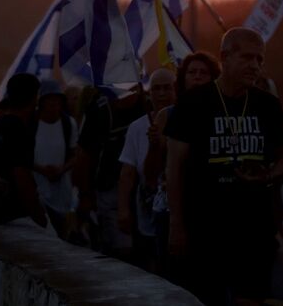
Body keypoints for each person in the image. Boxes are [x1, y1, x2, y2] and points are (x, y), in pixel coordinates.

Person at [165, 28, 283, 305]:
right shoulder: (193, 103)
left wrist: (269, 174)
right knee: (207, 298)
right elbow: (174, 168)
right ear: (224, 57)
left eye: (259, 59)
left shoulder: (267, 105)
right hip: (206, 227)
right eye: (247, 57)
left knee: (252, 298)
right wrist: (177, 224)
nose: (255, 65)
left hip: (254, 227)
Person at [144, 52, 220, 277]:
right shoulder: (167, 116)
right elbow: (151, 175)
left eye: (203, 73)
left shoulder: (220, 113)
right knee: (174, 281)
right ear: (183, 79)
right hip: (171, 211)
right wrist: (155, 146)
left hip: (211, 209)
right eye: (192, 72)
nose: (197, 77)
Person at [74, 83, 148, 258]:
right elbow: (84, 156)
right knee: (121, 250)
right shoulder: (99, 110)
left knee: (144, 249)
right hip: (109, 189)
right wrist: (85, 195)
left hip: (143, 188)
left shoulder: (147, 105)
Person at [118, 67, 176, 271]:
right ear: (149, 94)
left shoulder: (187, 121)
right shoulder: (136, 128)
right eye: (156, 89)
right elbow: (128, 172)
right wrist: (123, 209)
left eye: (167, 88)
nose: (161, 94)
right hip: (147, 211)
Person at [0, 73, 49, 230]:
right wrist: (39, 218)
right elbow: (22, 179)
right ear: (34, 98)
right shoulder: (19, 131)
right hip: (8, 217)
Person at [32, 79, 78, 238]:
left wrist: (61, 169)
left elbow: (75, 155)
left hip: (62, 195)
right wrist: (41, 170)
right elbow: (22, 157)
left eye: (57, 99)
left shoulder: (68, 124)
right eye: (50, 99)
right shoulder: (31, 123)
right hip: (37, 194)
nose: (54, 103)